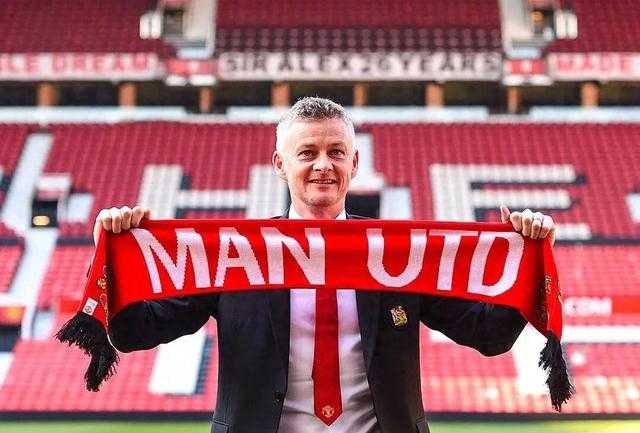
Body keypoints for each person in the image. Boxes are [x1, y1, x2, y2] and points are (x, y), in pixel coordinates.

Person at [95, 97, 557, 433]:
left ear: (354, 163)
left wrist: (530, 261)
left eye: (336, 152)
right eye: (307, 153)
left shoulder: (397, 251)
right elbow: (136, 332)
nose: (323, 165)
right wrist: (111, 259)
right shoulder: (236, 252)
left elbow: (489, 335)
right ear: (280, 164)